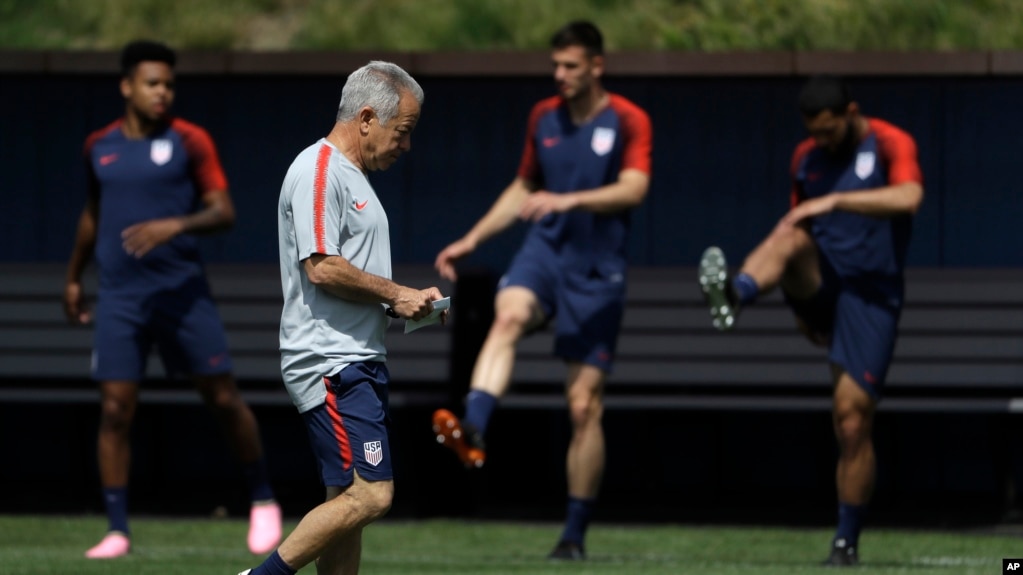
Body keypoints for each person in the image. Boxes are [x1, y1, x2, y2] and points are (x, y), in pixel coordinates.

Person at [431, 20, 652, 561]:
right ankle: (474, 429)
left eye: (571, 66)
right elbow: (525, 186)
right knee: (506, 317)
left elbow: (635, 187)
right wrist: (473, 238)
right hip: (546, 253)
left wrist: (569, 200)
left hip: (597, 268)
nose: (560, 75)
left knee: (582, 407)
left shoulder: (627, 119)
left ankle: (574, 533)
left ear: (597, 66)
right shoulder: (543, 117)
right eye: (555, 65)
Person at [63, 40, 282, 559]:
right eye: (153, 83)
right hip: (119, 297)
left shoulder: (190, 141)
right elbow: (92, 214)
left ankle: (263, 498)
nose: (163, 92)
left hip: (182, 294)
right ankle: (117, 528)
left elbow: (224, 211)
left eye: (169, 84)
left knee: (223, 398)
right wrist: (74, 276)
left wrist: (175, 224)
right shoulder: (100, 145)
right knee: (116, 409)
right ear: (127, 87)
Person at [697, 75, 923, 567]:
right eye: (813, 133)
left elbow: (908, 197)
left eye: (829, 132)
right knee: (789, 236)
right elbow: (799, 222)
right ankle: (734, 296)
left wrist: (837, 200)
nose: (821, 142)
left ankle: (845, 542)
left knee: (851, 421)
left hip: (870, 296)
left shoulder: (888, 142)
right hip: (821, 281)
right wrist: (799, 306)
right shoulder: (805, 159)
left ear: (850, 113)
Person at [239, 60, 441, 575]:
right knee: (373, 496)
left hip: (359, 359)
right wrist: (397, 294)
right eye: (403, 132)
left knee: (347, 503)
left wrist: (410, 303)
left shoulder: (353, 177)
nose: (406, 146)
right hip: (331, 362)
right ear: (368, 117)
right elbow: (322, 267)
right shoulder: (318, 168)